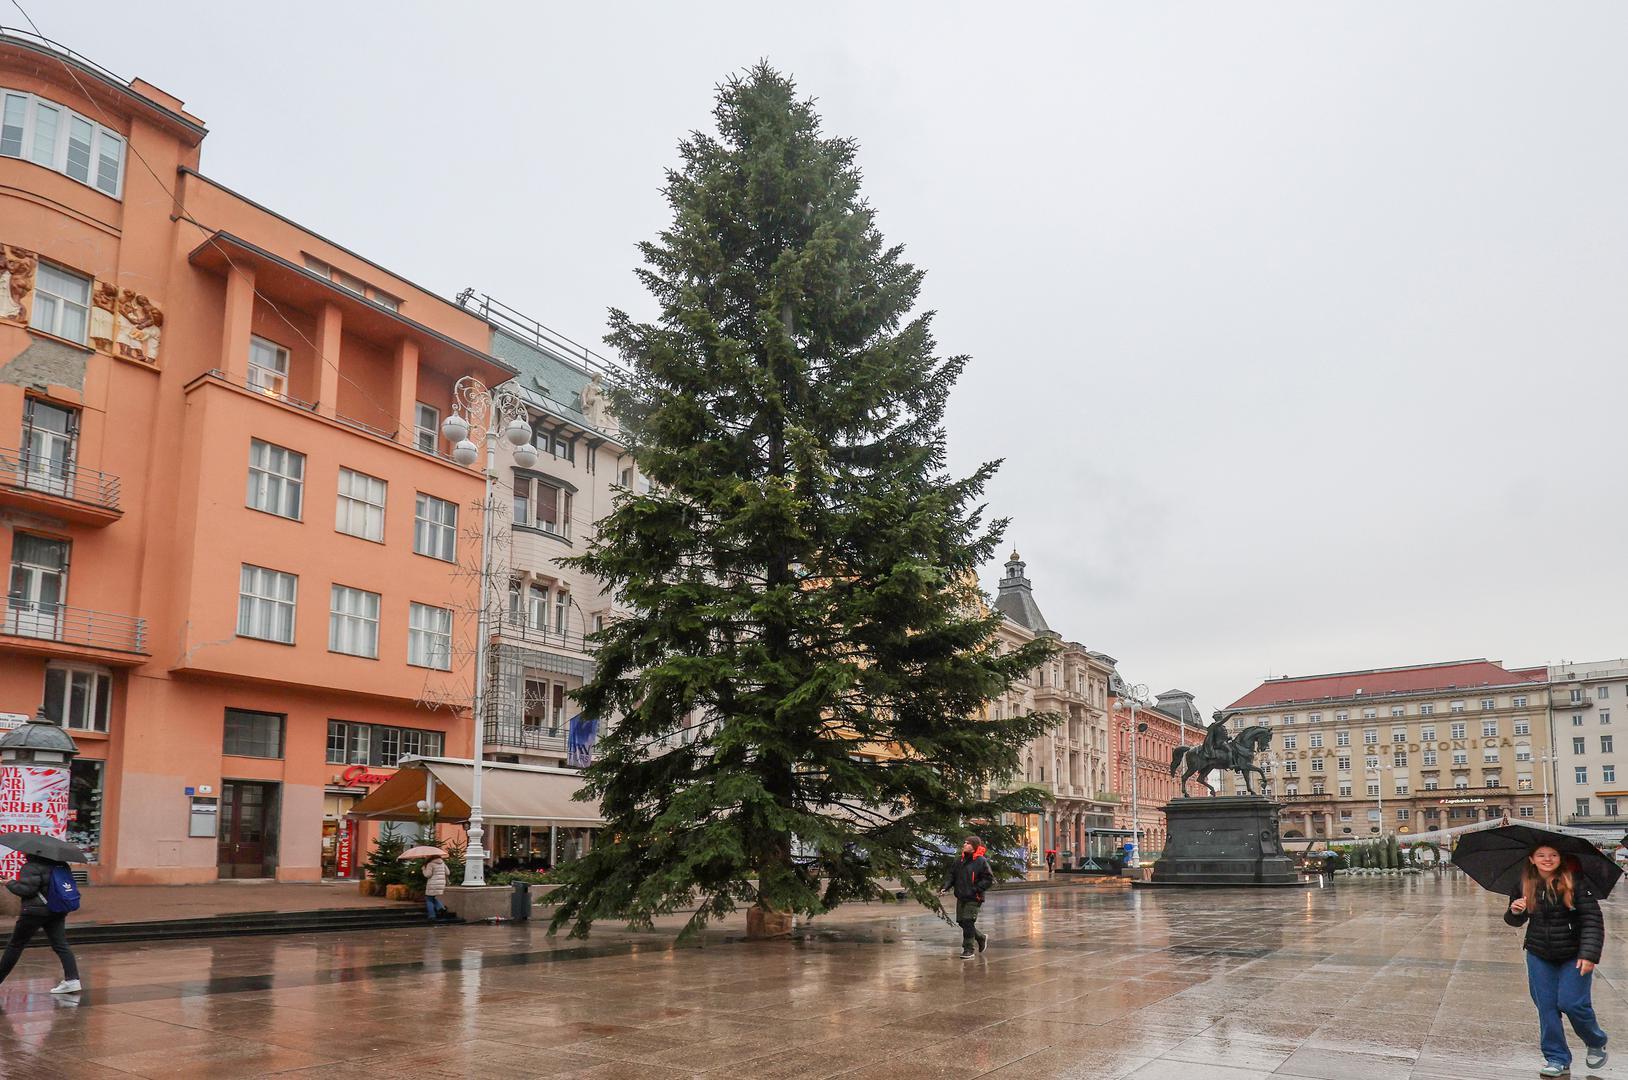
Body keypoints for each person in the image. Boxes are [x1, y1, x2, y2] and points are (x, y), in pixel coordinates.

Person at [1505, 844, 1608, 1076]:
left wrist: (1589, 954)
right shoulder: (1523, 884)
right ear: (1532, 859)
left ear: (1560, 858)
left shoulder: (1575, 882)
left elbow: (1592, 919)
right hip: (1539, 953)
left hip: (1574, 954)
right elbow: (1514, 921)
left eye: (1553, 855)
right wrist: (1515, 911)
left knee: (1573, 1003)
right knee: (1547, 1007)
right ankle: (1556, 1058)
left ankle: (1595, 1039)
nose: (1547, 859)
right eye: (1541, 855)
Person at [0, 854, 81, 993]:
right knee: (61, 945)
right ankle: (72, 980)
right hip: (57, 909)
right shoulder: (61, 864)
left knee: (15, 945)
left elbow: (27, 890)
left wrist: (9, 883)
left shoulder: (31, 867)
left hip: (34, 912)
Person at [944, 835, 993, 959]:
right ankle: (981, 937)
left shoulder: (981, 861)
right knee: (962, 921)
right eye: (964, 842)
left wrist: (975, 889)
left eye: (968, 843)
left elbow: (988, 879)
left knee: (968, 921)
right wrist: (945, 887)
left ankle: (968, 949)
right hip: (961, 896)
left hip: (974, 897)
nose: (964, 845)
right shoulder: (959, 861)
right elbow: (951, 876)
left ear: (974, 846)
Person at [422, 854, 450, 922]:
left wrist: (423, 869)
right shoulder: (442, 863)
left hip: (432, 884)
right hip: (441, 884)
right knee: (432, 898)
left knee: (429, 899)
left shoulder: (430, 864)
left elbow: (428, 875)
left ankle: (432, 916)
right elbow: (448, 872)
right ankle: (441, 908)